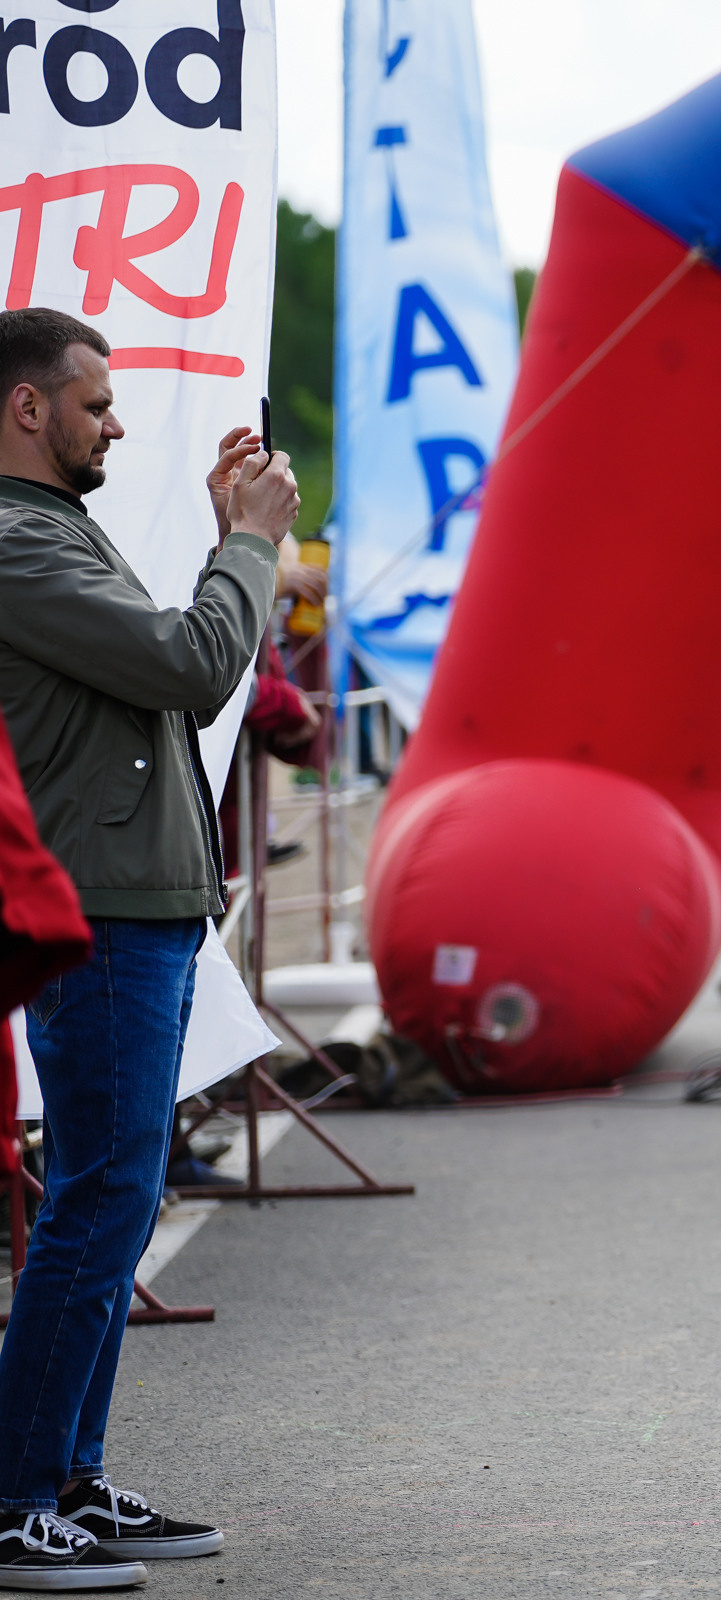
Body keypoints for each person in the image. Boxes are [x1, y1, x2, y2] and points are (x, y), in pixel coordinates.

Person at [0, 306, 298, 1589]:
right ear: (25, 407)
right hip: (105, 909)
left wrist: (238, 543)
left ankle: (67, 1474)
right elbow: (188, 663)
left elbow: (176, 666)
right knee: (97, 1203)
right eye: (94, 401)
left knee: (113, 1203)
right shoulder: (16, 540)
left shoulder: (58, 531)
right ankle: (16, 1495)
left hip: (140, 902)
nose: (117, 421)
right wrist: (248, 546)